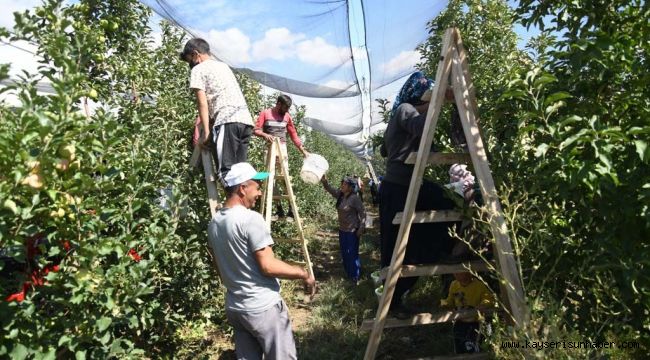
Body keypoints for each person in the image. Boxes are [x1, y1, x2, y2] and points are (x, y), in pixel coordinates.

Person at [207, 162, 316, 359]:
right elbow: (268, 266)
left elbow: (220, 270)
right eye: (257, 187)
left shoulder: (214, 223)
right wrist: (303, 274)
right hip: (262, 307)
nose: (259, 193)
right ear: (243, 188)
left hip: (236, 308)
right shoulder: (250, 219)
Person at [379, 71, 457, 318]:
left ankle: (448, 256)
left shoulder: (404, 116)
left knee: (450, 206)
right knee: (398, 247)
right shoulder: (405, 109)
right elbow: (421, 127)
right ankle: (393, 300)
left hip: (411, 187)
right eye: (428, 97)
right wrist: (440, 101)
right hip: (399, 189)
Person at [180, 38, 254, 184]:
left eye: (190, 60)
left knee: (226, 173)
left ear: (196, 54)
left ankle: (231, 207)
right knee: (240, 172)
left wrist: (206, 133)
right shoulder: (223, 66)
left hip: (227, 121)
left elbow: (202, 102)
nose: (190, 65)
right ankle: (241, 205)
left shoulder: (198, 69)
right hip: (245, 121)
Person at [254, 94, 308, 218]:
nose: (287, 110)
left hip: (282, 148)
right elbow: (256, 129)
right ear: (278, 104)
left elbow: (293, 135)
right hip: (269, 148)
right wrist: (264, 135)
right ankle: (279, 210)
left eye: (288, 108)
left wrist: (303, 150)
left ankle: (291, 210)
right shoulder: (265, 113)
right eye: (285, 107)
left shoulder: (287, 116)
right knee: (270, 179)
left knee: (284, 178)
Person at [321, 174, 366, 284]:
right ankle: (349, 273)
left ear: (351, 187)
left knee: (352, 253)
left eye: (344, 184)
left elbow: (363, 212)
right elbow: (329, 189)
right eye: (342, 183)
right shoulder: (341, 195)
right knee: (345, 253)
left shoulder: (354, 198)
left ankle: (355, 276)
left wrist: (361, 227)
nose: (342, 185)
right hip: (342, 230)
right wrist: (324, 181)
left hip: (352, 231)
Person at [441, 272, 495, 354]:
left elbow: (489, 299)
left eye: (460, 272)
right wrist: (444, 304)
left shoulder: (479, 285)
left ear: (469, 273)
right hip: (460, 323)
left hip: (476, 323)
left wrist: (483, 305)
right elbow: (450, 300)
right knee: (460, 348)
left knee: (478, 348)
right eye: (455, 273)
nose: (457, 275)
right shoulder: (454, 284)